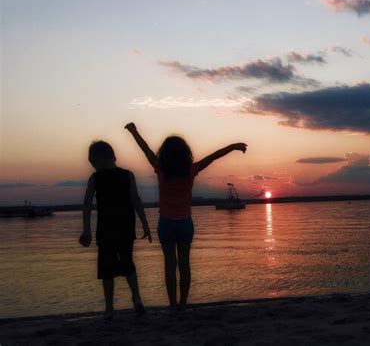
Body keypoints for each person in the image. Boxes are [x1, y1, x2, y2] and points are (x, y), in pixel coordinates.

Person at [125, 122, 247, 311]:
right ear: (185, 154)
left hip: (166, 223)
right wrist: (233, 147)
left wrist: (134, 131)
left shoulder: (160, 168)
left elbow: (146, 149)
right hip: (185, 223)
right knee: (184, 264)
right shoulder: (191, 170)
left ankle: (173, 305)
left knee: (169, 265)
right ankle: (183, 304)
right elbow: (213, 157)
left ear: (164, 154)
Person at [79, 140, 152, 320]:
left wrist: (86, 229)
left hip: (109, 229)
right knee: (124, 265)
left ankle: (114, 307)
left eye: (93, 163)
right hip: (121, 228)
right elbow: (136, 200)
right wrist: (144, 222)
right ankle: (131, 301)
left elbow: (87, 204)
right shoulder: (125, 175)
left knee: (108, 270)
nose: (93, 167)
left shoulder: (98, 178)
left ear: (100, 159)